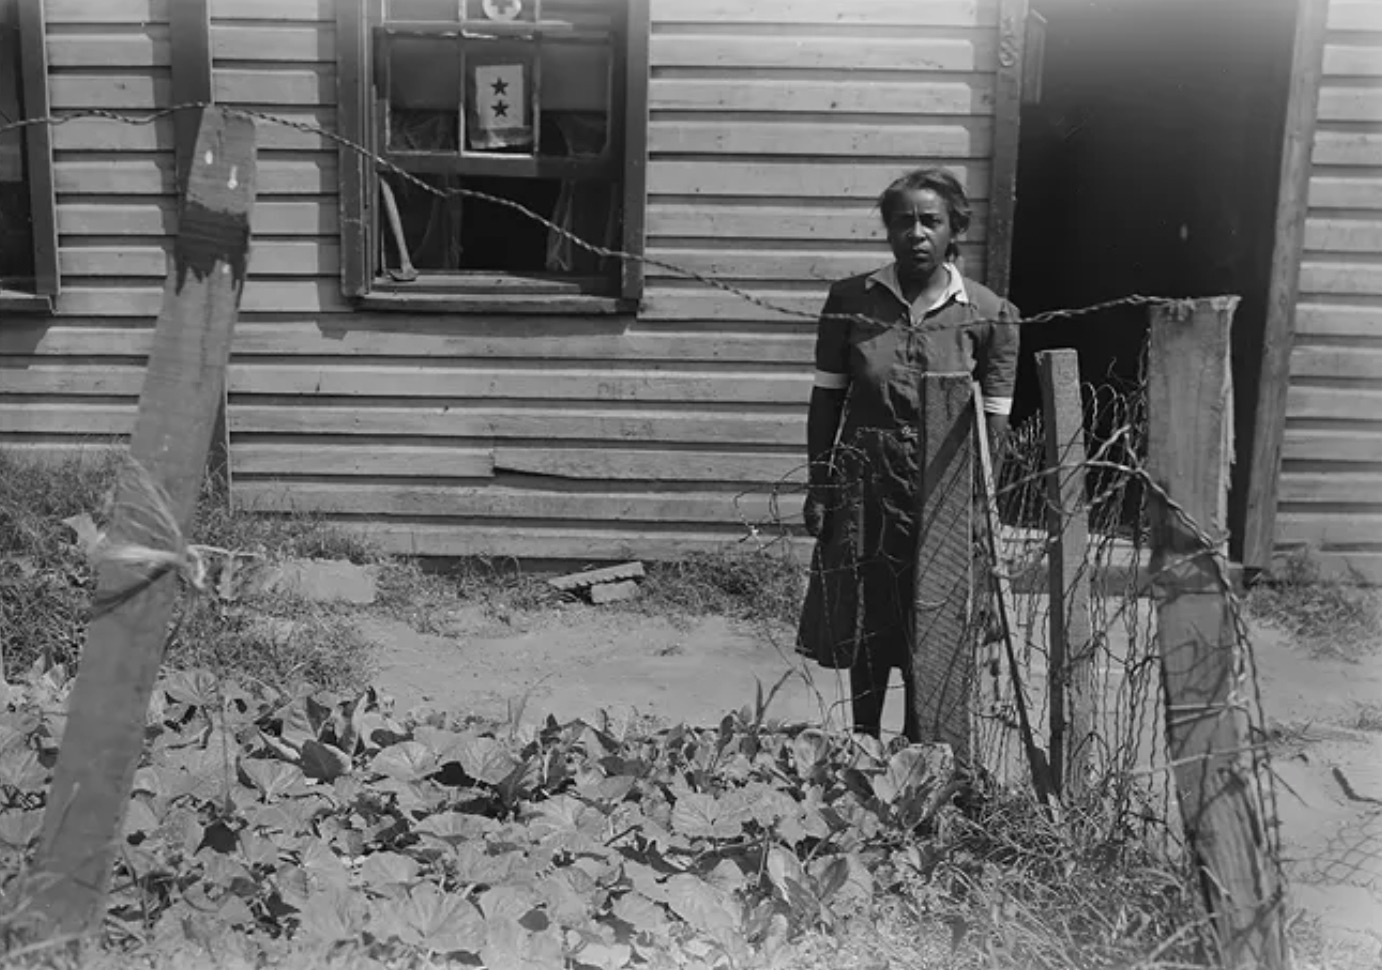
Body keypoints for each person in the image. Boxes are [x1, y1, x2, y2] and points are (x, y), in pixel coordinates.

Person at [795, 166, 1020, 742]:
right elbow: (827, 403)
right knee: (868, 615)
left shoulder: (990, 313)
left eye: (930, 221)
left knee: (937, 616)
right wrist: (822, 485)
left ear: (954, 230)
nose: (916, 232)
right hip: (865, 486)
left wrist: (980, 507)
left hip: (944, 489)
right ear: (888, 231)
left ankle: (927, 753)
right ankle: (864, 745)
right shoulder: (850, 301)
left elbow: (996, 426)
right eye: (903, 221)